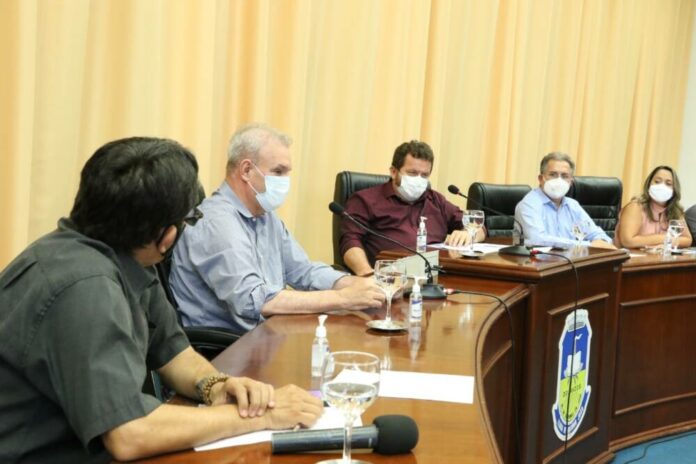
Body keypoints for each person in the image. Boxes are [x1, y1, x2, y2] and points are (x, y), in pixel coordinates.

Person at [0, 137, 323, 464]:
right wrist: (264, 416)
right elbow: (129, 434)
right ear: (168, 235)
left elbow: (173, 351)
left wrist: (217, 386)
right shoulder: (85, 287)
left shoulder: (127, 254)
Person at [169, 124, 384, 334]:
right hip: (228, 347)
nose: (285, 182)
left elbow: (303, 271)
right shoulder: (217, 222)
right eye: (278, 172)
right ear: (246, 170)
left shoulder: (265, 215)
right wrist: (343, 298)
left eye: (287, 173)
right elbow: (252, 300)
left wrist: (361, 284)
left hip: (267, 335)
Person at [339, 140, 485, 276]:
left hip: (438, 277)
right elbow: (350, 241)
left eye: (424, 175)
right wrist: (367, 276)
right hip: (390, 278)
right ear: (394, 172)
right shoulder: (366, 200)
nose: (418, 180)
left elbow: (481, 228)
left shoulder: (436, 200)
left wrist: (469, 233)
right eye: (412, 173)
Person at [515, 152, 616, 249]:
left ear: (570, 182)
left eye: (564, 176)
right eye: (553, 174)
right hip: (538, 259)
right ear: (541, 179)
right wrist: (587, 245)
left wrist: (603, 242)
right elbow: (538, 240)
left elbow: (597, 234)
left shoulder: (572, 205)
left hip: (571, 259)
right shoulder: (529, 204)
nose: (559, 180)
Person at [613, 166, 692, 249]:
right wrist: (666, 238)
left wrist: (664, 245)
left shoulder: (675, 210)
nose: (662, 186)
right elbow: (628, 241)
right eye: (657, 182)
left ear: (674, 190)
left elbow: (687, 240)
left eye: (668, 184)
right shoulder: (635, 207)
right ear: (649, 184)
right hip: (631, 256)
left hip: (659, 256)